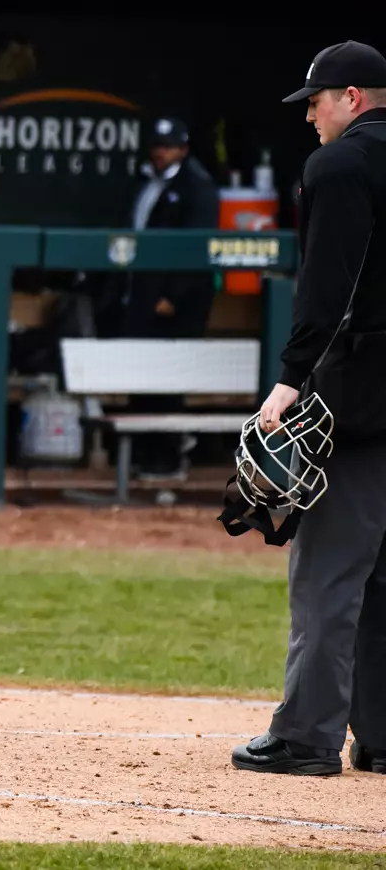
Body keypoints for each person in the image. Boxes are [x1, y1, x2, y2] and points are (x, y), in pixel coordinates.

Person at [232, 41, 386, 777]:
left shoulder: (341, 163)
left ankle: (307, 736)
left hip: (363, 393)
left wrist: (291, 378)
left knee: (329, 571)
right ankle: (383, 736)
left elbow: (327, 285)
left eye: (317, 103)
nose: (311, 119)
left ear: (352, 97)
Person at [121, 116, 219, 480]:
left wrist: (173, 297)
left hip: (176, 302)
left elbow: (198, 249)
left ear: (183, 148)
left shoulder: (198, 186)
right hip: (141, 293)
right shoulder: (146, 181)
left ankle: (168, 457)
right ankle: (146, 456)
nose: (161, 152)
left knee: (168, 379)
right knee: (142, 375)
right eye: (157, 146)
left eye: (168, 146)